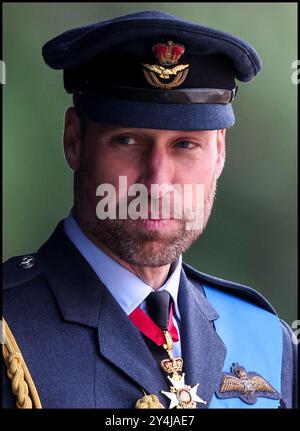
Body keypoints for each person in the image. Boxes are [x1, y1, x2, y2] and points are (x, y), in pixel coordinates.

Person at [2, 10, 297, 409]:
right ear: (74, 140)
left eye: (185, 145)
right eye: (127, 140)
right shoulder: (10, 327)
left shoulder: (265, 340)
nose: (157, 183)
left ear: (219, 153)